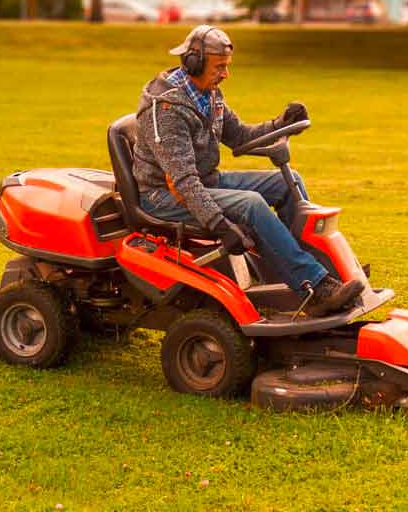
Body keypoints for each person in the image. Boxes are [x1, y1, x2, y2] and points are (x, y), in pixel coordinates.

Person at [132, 25, 364, 317]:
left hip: (204, 181)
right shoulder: (167, 110)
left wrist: (279, 123)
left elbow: (240, 136)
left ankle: (319, 273)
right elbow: (183, 183)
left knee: (287, 181)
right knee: (251, 204)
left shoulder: (209, 94)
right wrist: (220, 226)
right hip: (164, 196)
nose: (226, 74)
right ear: (194, 63)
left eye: (227, 66)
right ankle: (314, 287)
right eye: (220, 67)